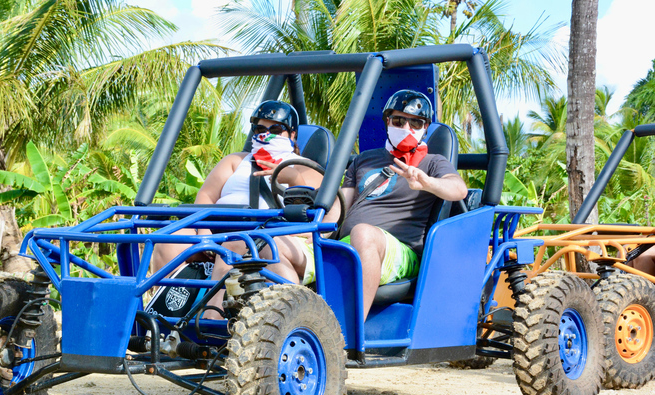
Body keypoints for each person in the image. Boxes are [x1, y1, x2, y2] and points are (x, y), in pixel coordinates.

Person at [151, 100, 323, 289]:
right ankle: (167, 311)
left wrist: (293, 178)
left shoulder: (306, 167)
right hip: (218, 232)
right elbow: (206, 196)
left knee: (237, 243)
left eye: (275, 130)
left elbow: (313, 210)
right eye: (259, 130)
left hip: (267, 236)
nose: (266, 135)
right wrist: (205, 234)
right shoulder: (235, 161)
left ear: (292, 134)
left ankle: (213, 315)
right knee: (169, 240)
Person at [338, 89, 468, 319]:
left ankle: (346, 340)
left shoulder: (433, 163)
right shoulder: (363, 159)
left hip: (399, 251)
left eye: (416, 123)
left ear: (425, 128)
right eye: (399, 121)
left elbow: (458, 189)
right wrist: (311, 231)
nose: (407, 128)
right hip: (346, 243)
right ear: (387, 121)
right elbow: (341, 207)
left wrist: (428, 183)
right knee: (275, 244)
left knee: (363, 234)